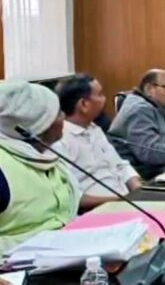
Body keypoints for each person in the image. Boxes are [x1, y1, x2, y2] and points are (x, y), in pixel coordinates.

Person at [0, 80, 80, 252]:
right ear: (40, 124)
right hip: (17, 265)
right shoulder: (3, 168)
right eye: (58, 113)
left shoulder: (45, 155)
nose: (64, 117)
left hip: (65, 251)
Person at [55, 74, 143, 210]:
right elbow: (72, 197)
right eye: (100, 94)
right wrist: (120, 200)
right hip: (98, 210)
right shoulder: (59, 140)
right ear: (84, 104)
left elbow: (120, 165)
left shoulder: (94, 128)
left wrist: (138, 190)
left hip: (126, 202)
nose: (104, 99)